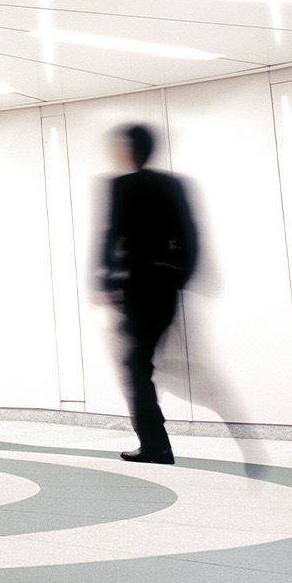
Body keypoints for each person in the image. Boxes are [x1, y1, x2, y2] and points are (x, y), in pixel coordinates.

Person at [97, 123, 198, 465]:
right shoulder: (172, 184)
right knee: (140, 363)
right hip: (166, 289)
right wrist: (181, 277)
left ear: (131, 150)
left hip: (138, 289)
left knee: (135, 366)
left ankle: (156, 444)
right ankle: (157, 442)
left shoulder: (122, 186)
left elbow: (111, 235)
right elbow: (190, 232)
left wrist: (105, 282)